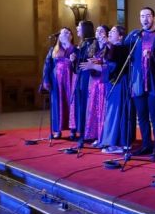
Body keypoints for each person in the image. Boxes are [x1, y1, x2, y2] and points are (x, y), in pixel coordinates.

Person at [124, 7, 155, 158]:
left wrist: (154, 56)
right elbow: (123, 53)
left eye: (148, 16)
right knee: (142, 116)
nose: (145, 19)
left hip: (153, 82)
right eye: (142, 16)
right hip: (137, 82)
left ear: (153, 17)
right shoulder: (135, 36)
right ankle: (146, 145)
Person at [84, 26, 136, 154]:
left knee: (116, 113)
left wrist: (94, 66)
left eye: (113, 32)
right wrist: (96, 62)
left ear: (120, 37)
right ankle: (111, 141)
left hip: (119, 83)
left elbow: (113, 66)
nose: (110, 33)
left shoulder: (122, 48)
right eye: (110, 31)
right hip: (112, 83)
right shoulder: (112, 48)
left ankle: (117, 143)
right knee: (111, 113)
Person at [42, 27, 74, 139]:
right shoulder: (53, 49)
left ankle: (72, 130)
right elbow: (47, 65)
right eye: (62, 33)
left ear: (71, 35)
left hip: (70, 80)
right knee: (56, 104)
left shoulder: (73, 48)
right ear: (59, 36)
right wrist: (46, 80)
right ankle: (57, 130)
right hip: (56, 81)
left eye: (67, 32)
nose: (64, 34)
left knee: (70, 103)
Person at [69, 20, 96, 148]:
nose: (77, 28)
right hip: (80, 77)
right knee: (80, 105)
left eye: (79, 27)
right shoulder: (82, 43)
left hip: (88, 78)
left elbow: (90, 59)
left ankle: (87, 133)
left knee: (86, 106)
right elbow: (77, 66)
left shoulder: (92, 43)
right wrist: (73, 60)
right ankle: (81, 132)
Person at [81, 25, 109, 145]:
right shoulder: (93, 46)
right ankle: (93, 134)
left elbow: (108, 65)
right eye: (97, 31)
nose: (98, 33)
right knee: (93, 108)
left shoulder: (108, 47)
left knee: (101, 109)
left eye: (101, 31)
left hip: (102, 82)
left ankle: (102, 136)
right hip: (93, 81)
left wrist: (96, 64)